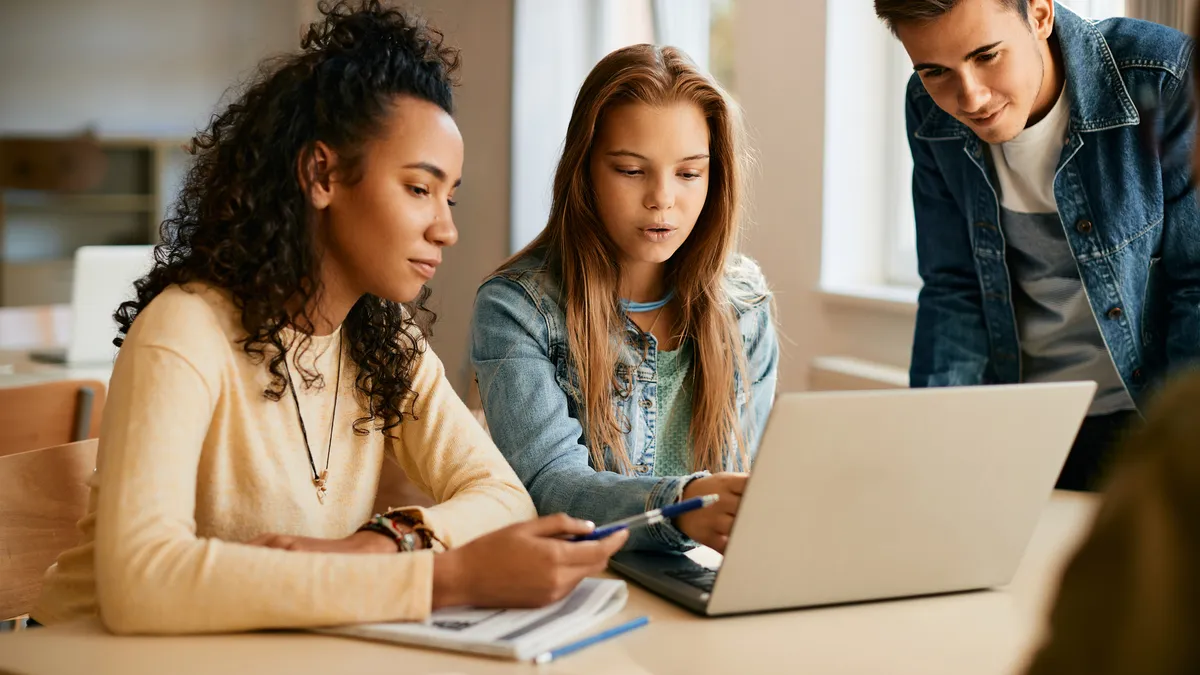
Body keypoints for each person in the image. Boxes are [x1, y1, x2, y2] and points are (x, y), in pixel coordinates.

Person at [31, 0, 626, 635]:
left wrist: (382, 543)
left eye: (449, 196)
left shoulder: (382, 340)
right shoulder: (184, 331)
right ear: (322, 174)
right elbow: (140, 585)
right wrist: (443, 579)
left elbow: (504, 497)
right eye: (420, 189)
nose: (447, 228)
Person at [875, 0, 1200, 490]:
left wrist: (1180, 450)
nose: (971, 97)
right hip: (1017, 424)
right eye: (935, 70)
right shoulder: (926, 108)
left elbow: (1195, 285)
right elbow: (953, 288)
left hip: (1146, 419)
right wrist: (937, 440)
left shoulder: (1162, 77)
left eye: (987, 55)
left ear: (1041, 14)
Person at [470, 44, 779, 555]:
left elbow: (746, 485)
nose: (662, 198)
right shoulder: (515, 309)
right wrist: (682, 504)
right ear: (585, 170)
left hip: (703, 586)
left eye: (688, 173)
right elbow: (550, 486)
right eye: (632, 170)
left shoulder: (745, 303)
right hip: (585, 583)